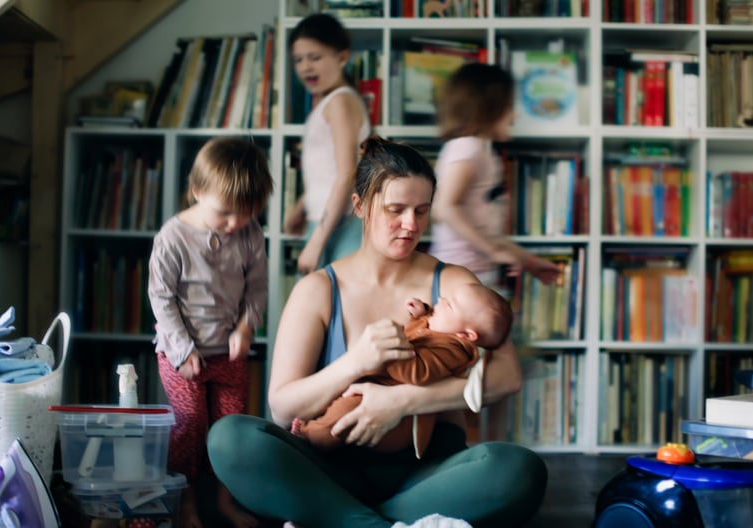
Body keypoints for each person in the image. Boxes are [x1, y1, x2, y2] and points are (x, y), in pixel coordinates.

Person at [208, 136, 547, 528]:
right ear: (359, 206)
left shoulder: (454, 283)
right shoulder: (318, 290)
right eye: (395, 210)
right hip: (330, 472)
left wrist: (402, 401)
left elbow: (508, 377)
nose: (411, 225)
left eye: (422, 211)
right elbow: (282, 408)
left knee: (519, 469)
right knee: (230, 438)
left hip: (425, 476)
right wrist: (354, 363)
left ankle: (340, 522)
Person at [428, 62, 562, 440]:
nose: (515, 114)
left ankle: (492, 448)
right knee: (490, 376)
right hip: (461, 286)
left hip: (479, 282)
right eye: (508, 105)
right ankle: (476, 449)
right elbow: (444, 207)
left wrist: (528, 261)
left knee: (501, 375)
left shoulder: (480, 150)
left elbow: (486, 231)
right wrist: (492, 249)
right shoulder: (468, 148)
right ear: (486, 107)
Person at [148, 137, 274, 528]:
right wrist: (183, 349)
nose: (235, 223)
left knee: (230, 430)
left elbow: (257, 287)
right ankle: (185, 504)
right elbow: (161, 297)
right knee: (188, 427)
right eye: (226, 213)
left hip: (228, 353)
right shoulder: (173, 238)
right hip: (180, 353)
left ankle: (224, 501)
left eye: (247, 213)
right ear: (198, 191)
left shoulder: (249, 233)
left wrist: (245, 326)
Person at [291, 282, 512, 460]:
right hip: (378, 389)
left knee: (343, 414)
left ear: (466, 335)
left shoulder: (454, 351)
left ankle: (311, 436)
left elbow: (420, 372)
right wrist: (421, 314)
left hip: (400, 425)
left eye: (450, 305)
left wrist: (389, 352)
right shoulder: (442, 329)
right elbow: (427, 331)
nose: (442, 300)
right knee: (340, 403)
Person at [283, 12, 371, 274]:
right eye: (298, 59)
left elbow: (346, 173)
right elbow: (326, 172)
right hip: (327, 219)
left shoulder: (341, 102)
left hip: (341, 223)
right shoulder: (328, 103)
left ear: (342, 57)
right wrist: (301, 207)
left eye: (315, 57)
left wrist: (316, 242)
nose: (305, 67)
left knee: (327, 305)